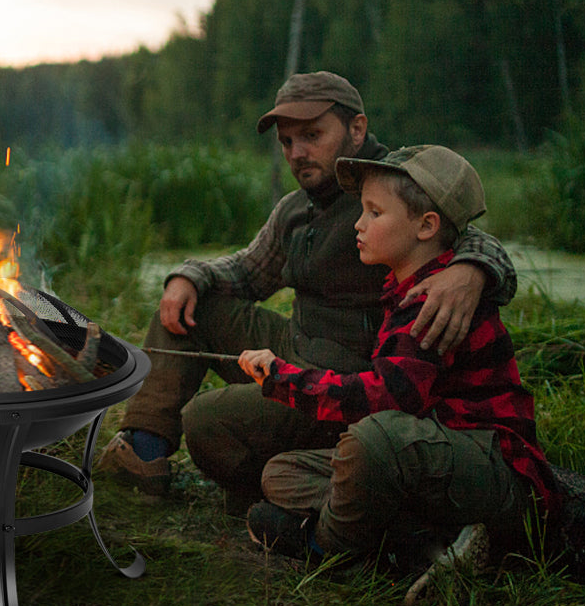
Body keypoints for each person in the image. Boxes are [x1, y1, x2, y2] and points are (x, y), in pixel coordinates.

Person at [97, 72, 517, 510]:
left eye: (312, 136)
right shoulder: (296, 208)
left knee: (205, 422)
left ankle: (292, 482)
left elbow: (466, 231)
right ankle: (143, 456)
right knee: (189, 305)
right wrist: (188, 275)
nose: (297, 153)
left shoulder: (393, 184)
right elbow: (246, 271)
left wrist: (472, 269)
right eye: (287, 142)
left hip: (355, 380)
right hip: (294, 348)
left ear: (356, 129)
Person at [239, 145, 559, 587]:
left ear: (426, 226)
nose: (358, 224)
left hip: (493, 469)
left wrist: (282, 377)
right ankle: (431, 545)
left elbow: (385, 399)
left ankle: (338, 554)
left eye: (374, 213)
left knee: (372, 440)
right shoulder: (402, 284)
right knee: (282, 472)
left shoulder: (437, 301)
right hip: (430, 460)